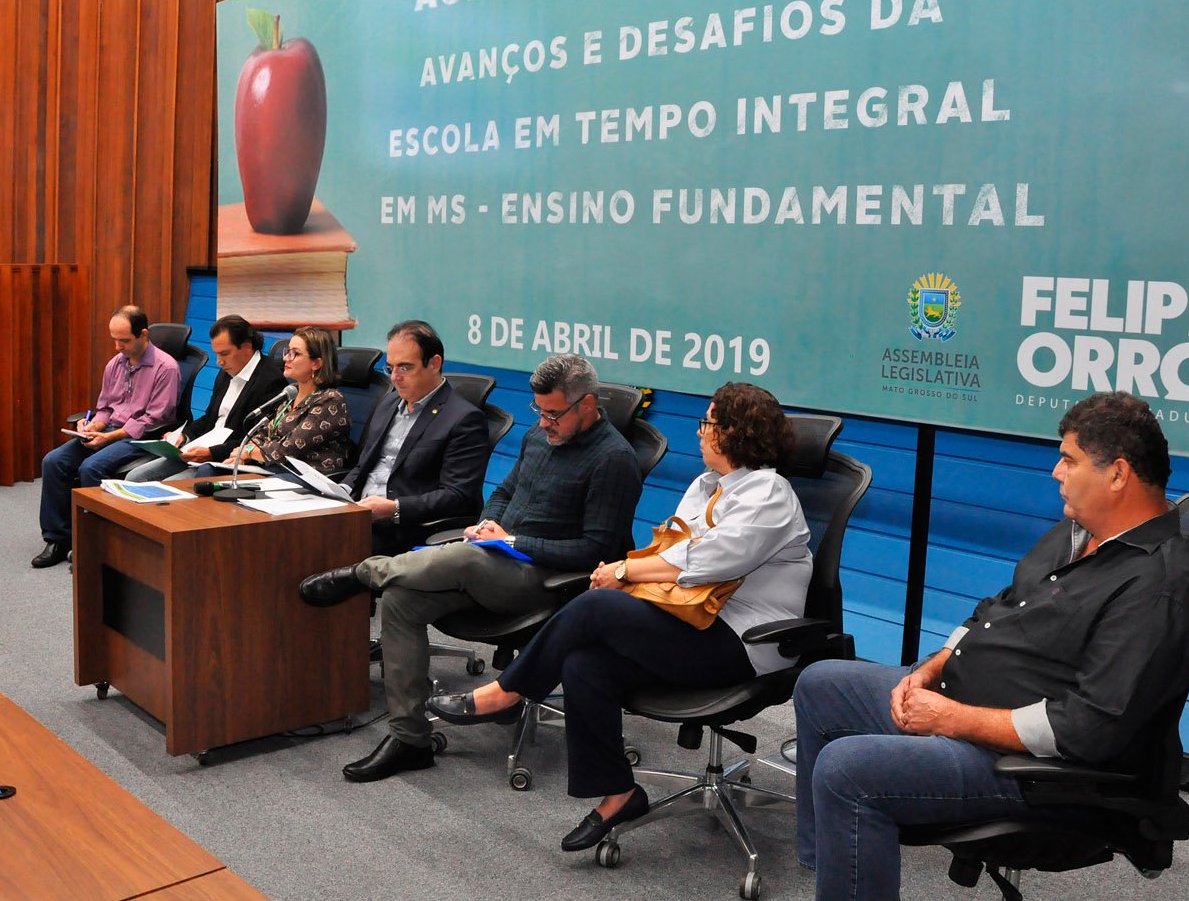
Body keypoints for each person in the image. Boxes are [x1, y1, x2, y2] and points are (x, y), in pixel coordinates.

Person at [791, 391, 1189, 901]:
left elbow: (1086, 730)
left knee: (846, 770)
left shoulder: (1158, 589)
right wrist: (928, 669)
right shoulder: (1077, 533)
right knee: (820, 684)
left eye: (1069, 460)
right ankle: (829, 873)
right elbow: (993, 609)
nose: (1056, 472)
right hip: (964, 704)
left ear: (1118, 474)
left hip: (1037, 773)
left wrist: (950, 718)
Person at [425, 382, 812, 853]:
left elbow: (709, 560)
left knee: (595, 606)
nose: (699, 432)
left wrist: (623, 571)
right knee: (585, 663)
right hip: (691, 623)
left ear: (736, 432)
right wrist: (625, 576)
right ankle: (619, 794)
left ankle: (506, 693)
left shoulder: (770, 492)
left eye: (708, 422)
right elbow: (670, 551)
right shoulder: (706, 485)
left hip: (744, 643)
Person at [297, 354, 642, 782]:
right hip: (494, 561)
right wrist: (486, 524)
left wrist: (511, 542)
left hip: (548, 580)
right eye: (539, 411)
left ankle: (363, 574)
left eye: (553, 414)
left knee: (462, 556)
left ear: (587, 404)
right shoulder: (539, 437)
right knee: (402, 600)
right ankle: (410, 739)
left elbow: (597, 550)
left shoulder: (613, 459)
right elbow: (503, 491)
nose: (544, 422)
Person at [34, 305, 180, 568]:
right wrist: (94, 425)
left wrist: (110, 437)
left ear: (143, 335)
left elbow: (154, 419)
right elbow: (105, 408)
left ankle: (96, 545)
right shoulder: (115, 364)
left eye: (124, 341)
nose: (117, 347)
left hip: (140, 436)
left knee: (91, 467)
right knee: (53, 462)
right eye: (114, 339)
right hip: (111, 430)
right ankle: (59, 539)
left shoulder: (165, 368)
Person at [341, 320, 489, 556]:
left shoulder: (464, 419)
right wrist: (340, 490)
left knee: (313, 554)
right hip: (358, 514)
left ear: (434, 364)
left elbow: (457, 496)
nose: (394, 378)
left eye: (405, 368)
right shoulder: (389, 403)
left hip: (402, 528)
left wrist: (395, 508)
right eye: (390, 368)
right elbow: (364, 465)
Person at [123, 314, 285, 483]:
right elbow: (210, 418)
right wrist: (184, 436)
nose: (219, 362)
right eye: (217, 354)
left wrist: (211, 453)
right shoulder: (227, 371)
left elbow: (255, 438)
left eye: (224, 354)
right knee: (135, 476)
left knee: (170, 486)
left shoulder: (270, 381)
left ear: (247, 347)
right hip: (202, 449)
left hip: (228, 460)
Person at [218, 325, 350, 475]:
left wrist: (247, 453)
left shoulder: (330, 400)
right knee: (211, 470)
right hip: (274, 471)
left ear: (316, 363)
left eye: (295, 353)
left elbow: (288, 449)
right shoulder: (290, 394)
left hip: (306, 478)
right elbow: (261, 434)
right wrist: (245, 452)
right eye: (287, 351)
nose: (286, 358)